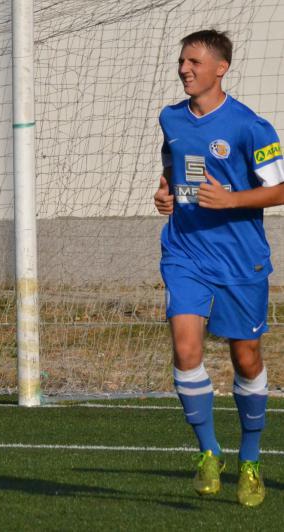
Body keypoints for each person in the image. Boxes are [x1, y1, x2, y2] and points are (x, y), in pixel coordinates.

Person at [153, 29, 284, 507]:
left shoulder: (251, 127)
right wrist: (165, 192)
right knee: (186, 349)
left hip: (240, 260)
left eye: (194, 62)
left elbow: (280, 189)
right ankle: (209, 451)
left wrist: (231, 200)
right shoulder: (170, 117)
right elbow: (174, 165)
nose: (184, 69)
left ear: (220, 69)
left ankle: (250, 458)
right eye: (182, 61)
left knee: (245, 358)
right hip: (185, 252)